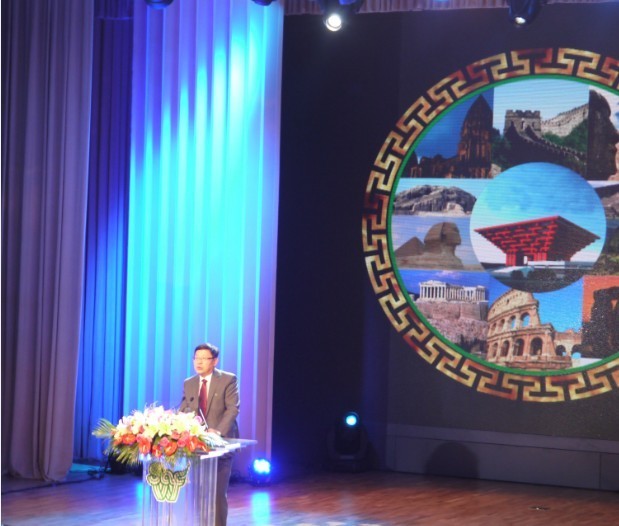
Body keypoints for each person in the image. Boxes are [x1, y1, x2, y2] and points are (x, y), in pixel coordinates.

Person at [180, 342, 239, 526]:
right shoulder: (189, 383)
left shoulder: (228, 379)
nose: (199, 362)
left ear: (214, 361)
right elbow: (184, 409)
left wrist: (217, 431)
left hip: (221, 446)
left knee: (217, 495)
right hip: (197, 448)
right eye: (196, 358)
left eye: (204, 359)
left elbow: (233, 409)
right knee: (198, 494)